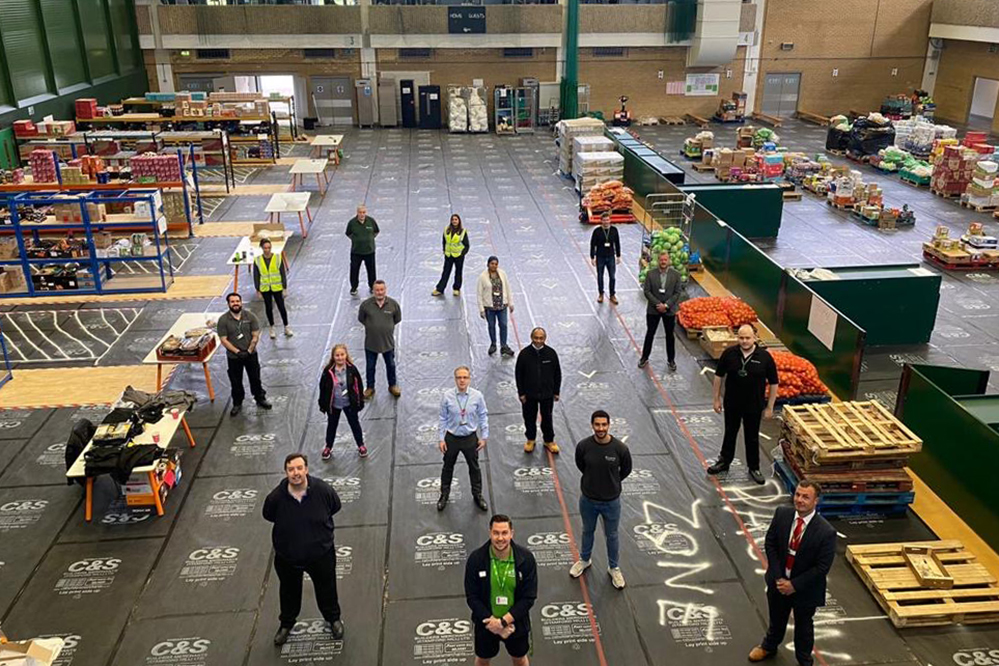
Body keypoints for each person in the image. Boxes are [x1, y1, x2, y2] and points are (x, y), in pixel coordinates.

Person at [749, 481, 835, 666]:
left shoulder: (826, 532)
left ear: (816, 501)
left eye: (806, 497)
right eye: (798, 495)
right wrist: (779, 577)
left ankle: (804, 660)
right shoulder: (782, 514)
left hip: (805, 589)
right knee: (776, 618)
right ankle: (769, 646)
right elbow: (770, 543)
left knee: (804, 627)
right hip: (779, 582)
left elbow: (822, 567)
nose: (800, 500)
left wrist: (794, 585)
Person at [263, 453, 344, 646]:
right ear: (286, 472)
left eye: (299, 468)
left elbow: (335, 506)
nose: (296, 473)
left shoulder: (323, 490)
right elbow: (268, 514)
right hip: (288, 558)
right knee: (288, 591)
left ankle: (333, 619)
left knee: (327, 588)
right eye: (291, 469)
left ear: (306, 469)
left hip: (321, 555)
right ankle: (286, 624)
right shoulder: (275, 498)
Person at [708, 324, 779, 485]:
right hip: (732, 403)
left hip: (754, 405)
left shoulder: (765, 357)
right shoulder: (729, 354)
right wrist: (716, 399)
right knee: (730, 432)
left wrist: (770, 407)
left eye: (747, 338)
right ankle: (724, 461)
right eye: (741, 338)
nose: (744, 341)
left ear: (755, 337)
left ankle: (754, 467)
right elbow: (718, 376)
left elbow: (774, 383)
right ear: (737, 338)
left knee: (752, 436)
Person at [569, 410, 632, 590]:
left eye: (604, 424)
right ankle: (584, 560)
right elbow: (581, 465)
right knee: (587, 531)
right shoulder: (583, 446)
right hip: (588, 500)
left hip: (611, 502)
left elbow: (626, 470)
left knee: (612, 535)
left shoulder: (620, 449)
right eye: (597, 424)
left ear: (609, 425)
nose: (601, 428)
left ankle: (614, 568)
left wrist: (612, 483)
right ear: (592, 425)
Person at [464, 514, 537, 666]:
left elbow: (528, 598)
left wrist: (503, 622)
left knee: (520, 660)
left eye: (504, 533)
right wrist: (493, 623)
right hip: (486, 625)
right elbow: (472, 597)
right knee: (482, 660)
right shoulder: (476, 559)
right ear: (490, 533)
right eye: (496, 533)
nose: (500, 538)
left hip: (515, 625)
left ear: (512, 533)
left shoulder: (526, 559)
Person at [437, 366, 489, 512]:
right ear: (455, 379)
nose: (462, 380)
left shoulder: (477, 396)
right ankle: (444, 495)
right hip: (451, 438)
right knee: (447, 467)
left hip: (470, 438)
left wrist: (484, 436)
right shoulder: (447, 396)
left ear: (469, 379)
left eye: (465, 377)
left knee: (474, 468)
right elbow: (442, 417)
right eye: (459, 377)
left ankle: (477, 495)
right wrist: (441, 438)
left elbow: (483, 415)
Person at [217, 292, 271, 417]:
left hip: (251, 355)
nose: (235, 303)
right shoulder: (223, 320)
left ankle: (260, 398)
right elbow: (224, 340)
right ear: (228, 304)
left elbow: (255, 335)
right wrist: (237, 352)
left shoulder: (250, 316)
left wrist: (249, 351)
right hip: (234, 357)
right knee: (235, 381)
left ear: (241, 302)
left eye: (237, 301)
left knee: (255, 378)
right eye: (232, 302)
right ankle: (237, 403)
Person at [514, 328, 561, 454]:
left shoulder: (551, 353)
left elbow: (557, 373)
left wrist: (556, 391)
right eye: (536, 338)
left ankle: (549, 441)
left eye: (541, 338)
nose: (538, 341)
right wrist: (521, 393)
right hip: (529, 395)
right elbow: (518, 375)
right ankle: (530, 439)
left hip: (547, 394)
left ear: (545, 338)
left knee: (547, 418)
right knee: (529, 418)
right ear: (531, 337)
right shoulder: (524, 354)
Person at [317, 343, 366, 461]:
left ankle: (361, 445)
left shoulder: (352, 369)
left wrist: (360, 401)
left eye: (342, 355)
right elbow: (323, 388)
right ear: (333, 357)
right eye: (337, 355)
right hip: (334, 404)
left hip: (349, 403)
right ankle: (328, 447)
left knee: (355, 424)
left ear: (346, 355)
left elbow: (358, 386)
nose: (340, 357)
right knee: (332, 426)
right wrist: (323, 404)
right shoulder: (328, 371)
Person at [639, 250, 683, 372]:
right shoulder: (650, 274)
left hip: (669, 311)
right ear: (658, 260)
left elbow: (677, 292)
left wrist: (667, 305)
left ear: (669, 261)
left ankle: (671, 360)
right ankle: (644, 357)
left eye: (665, 260)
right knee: (650, 334)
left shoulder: (676, 275)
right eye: (661, 260)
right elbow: (647, 291)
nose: (663, 262)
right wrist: (658, 304)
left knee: (670, 336)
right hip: (653, 310)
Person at [358, 280, 402, 399]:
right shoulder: (366, 305)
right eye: (377, 290)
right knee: (370, 366)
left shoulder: (393, 304)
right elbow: (361, 319)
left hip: (388, 343)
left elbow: (397, 319)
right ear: (373, 291)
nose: (379, 292)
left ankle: (392, 385)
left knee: (391, 365)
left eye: (382, 289)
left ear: (385, 290)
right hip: (371, 343)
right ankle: (370, 387)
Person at [253, 238, 293, 339]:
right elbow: (256, 275)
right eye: (265, 248)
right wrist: (258, 289)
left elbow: (282, 273)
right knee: (268, 308)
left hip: (277, 287)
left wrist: (284, 287)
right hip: (265, 288)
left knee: (281, 307)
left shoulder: (278, 258)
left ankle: (286, 326)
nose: (267, 250)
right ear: (261, 248)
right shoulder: (257, 260)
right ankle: (272, 327)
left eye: (269, 247)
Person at [476, 256, 515, 357]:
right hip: (490, 307)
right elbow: (479, 294)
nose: (494, 266)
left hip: (502, 305)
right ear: (488, 264)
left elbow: (508, 288)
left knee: (504, 325)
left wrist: (510, 303)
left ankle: (504, 346)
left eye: (496, 264)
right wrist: (481, 309)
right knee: (491, 326)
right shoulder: (482, 277)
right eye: (492, 264)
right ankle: (493, 344)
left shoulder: (502, 274)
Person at [433, 214, 470, 297]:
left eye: (456, 219)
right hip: (448, 255)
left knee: (458, 272)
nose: (454, 221)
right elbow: (444, 241)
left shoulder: (462, 231)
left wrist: (462, 253)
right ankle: (440, 289)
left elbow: (467, 245)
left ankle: (456, 289)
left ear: (459, 221)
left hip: (458, 256)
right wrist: (444, 250)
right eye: (453, 219)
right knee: (445, 272)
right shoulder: (446, 230)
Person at [345, 204, 379, 296]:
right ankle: (354, 287)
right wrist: (357, 240)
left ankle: (372, 286)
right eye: (360, 212)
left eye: (364, 212)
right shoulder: (352, 223)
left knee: (371, 270)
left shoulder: (371, 221)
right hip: (356, 252)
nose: (362, 214)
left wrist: (369, 239)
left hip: (369, 251)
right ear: (357, 213)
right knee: (354, 270)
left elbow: (376, 231)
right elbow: (348, 233)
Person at [589, 211, 621, 304]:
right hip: (600, 257)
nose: (606, 222)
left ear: (610, 220)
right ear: (601, 221)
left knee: (612, 277)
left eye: (607, 220)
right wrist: (592, 257)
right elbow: (592, 245)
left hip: (611, 256)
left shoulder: (614, 230)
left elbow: (617, 243)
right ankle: (601, 294)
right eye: (604, 220)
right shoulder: (597, 231)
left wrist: (618, 255)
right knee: (600, 276)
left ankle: (612, 294)